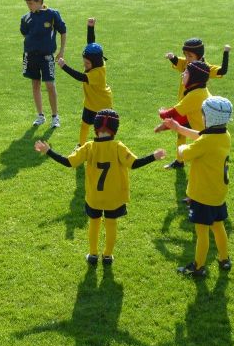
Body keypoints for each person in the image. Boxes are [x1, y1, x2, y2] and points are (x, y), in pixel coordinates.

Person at [35, 109, 165, 264]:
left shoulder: (89, 147)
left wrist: (48, 151)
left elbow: (68, 162)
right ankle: (108, 256)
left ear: (95, 128)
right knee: (111, 224)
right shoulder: (118, 147)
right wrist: (153, 156)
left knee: (94, 223)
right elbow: (134, 164)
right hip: (114, 198)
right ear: (115, 129)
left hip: (94, 197)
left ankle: (93, 254)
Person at [164, 96, 233, 277]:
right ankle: (224, 259)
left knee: (202, 232)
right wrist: (179, 128)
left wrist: (180, 147)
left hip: (203, 195)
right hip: (218, 193)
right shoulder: (224, 135)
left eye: (203, 114)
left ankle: (198, 266)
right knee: (218, 226)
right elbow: (201, 136)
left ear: (209, 117)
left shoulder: (205, 142)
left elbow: (185, 153)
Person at [162, 38, 230, 169]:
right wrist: (172, 57)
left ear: (199, 56)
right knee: (180, 132)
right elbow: (178, 61)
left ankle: (207, 158)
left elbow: (222, 71)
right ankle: (179, 161)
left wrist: (226, 52)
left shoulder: (205, 68)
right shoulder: (187, 63)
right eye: (185, 54)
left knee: (200, 135)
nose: (187, 58)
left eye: (190, 55)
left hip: (197, 109)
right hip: (184, 106)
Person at [57, 17, 113, 146]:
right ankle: (80, 146)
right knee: (84, 125)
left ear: (95, 62)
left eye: (87, 63)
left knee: (102, 130)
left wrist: (64, 66)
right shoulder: (97, 62)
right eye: (84, 62)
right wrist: (90, 27)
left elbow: (80, 77)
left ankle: (104, 148)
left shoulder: (97, 73)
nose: (85, 65)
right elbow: (91, 44)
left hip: (102, 104)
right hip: (90, 103)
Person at [21, 0, 67, 128]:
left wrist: (61, 50)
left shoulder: (52, 14)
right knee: (35, 84)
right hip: (31, 56)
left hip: (47, 57)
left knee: (50, 85)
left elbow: (63, 31)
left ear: (39, 0)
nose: (29, 6)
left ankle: (55, 117)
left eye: (31, 3)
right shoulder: (26, 18)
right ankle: (40, 115)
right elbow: (24, 33)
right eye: (27, 3)